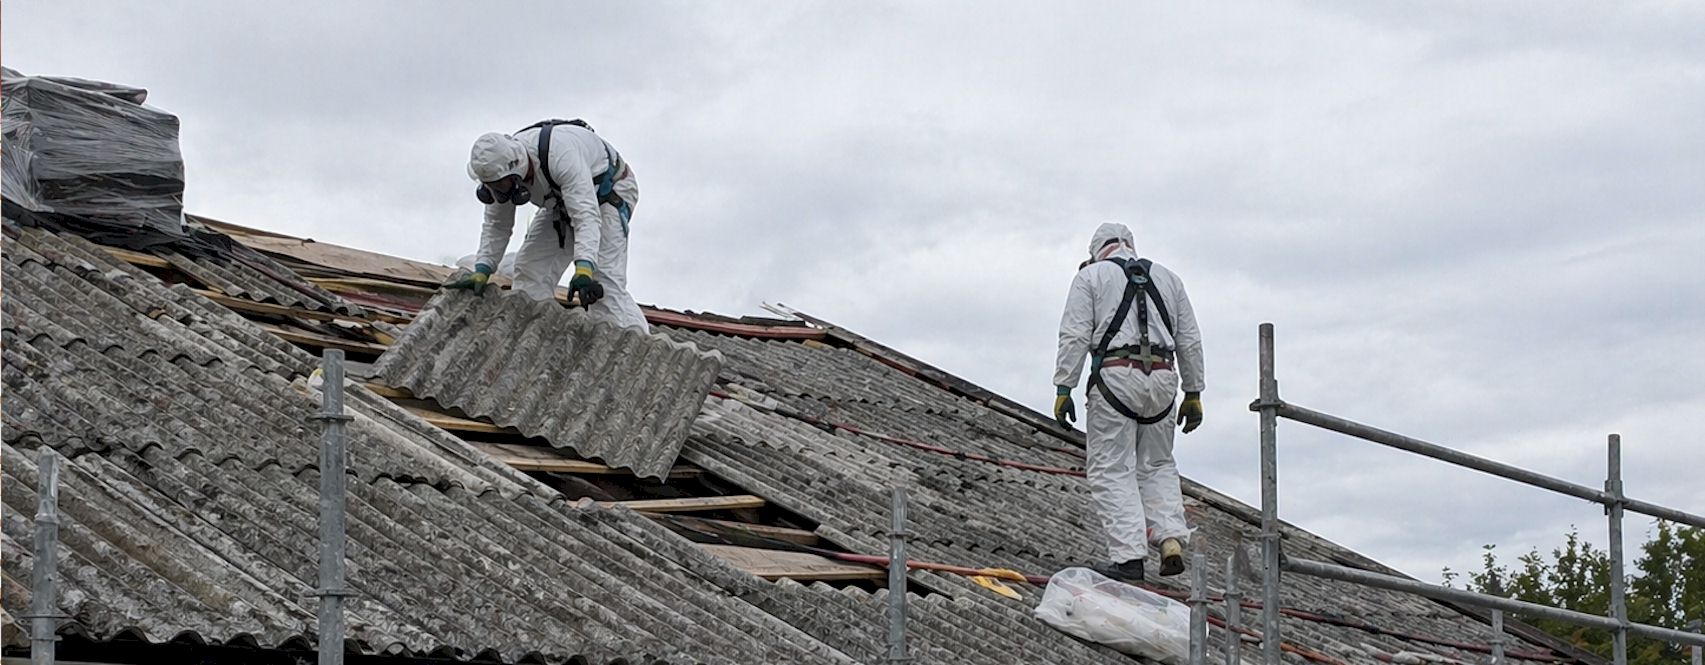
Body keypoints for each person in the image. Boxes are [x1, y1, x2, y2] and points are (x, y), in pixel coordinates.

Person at [1053, 222, 1204, 583]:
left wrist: (1064, 386)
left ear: (1095, 251)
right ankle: (1169, 537)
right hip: (1165, 381)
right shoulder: (1169, 279)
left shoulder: (1091, 278)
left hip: (1117, 379)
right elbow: (1190, 340)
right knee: (1157, 465)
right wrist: (1195, 392)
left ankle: (1129, 559)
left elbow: (1074, 335)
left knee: (1112, 467)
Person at [446, 119, 649, 333]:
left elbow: (585, 216)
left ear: (516, 170)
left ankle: (632, 342)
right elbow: (497, 225)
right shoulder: (498, 175)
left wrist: (584, 268)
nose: (498, 192)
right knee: (530, 272)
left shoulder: (561, 155)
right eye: (491, 187)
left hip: (608, 195)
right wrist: (483, 268)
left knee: (603, 285)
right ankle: (534, 337)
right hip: (559, 202)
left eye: (501, 185)